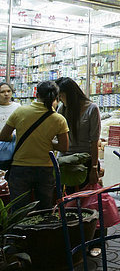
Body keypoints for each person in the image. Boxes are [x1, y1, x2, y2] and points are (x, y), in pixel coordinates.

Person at [0, 81, 69, 210]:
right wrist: (48, 143)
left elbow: (3, 136)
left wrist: (16, 137)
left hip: (20, 167)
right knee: (44, 208)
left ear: (36, 94)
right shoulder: (58, 119)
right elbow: (64, 147)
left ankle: (20, 230)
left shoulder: (20, 111)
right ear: (56, 97)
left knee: (19, 210)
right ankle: (42, 230)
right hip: (45, 169)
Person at [56, 77, 101, 186]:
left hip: (84, 162)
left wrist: (94, 168)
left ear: (69, 94)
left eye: (61, 96)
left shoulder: (92, 108)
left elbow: (94, 141)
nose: (60, 99)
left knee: (85, 199)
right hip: (64, 161)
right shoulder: (62, 109)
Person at [0, 83, 20, 170]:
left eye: (8, 91)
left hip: (15, 145)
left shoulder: (17, 107)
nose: (6, 94)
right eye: (2, 92)